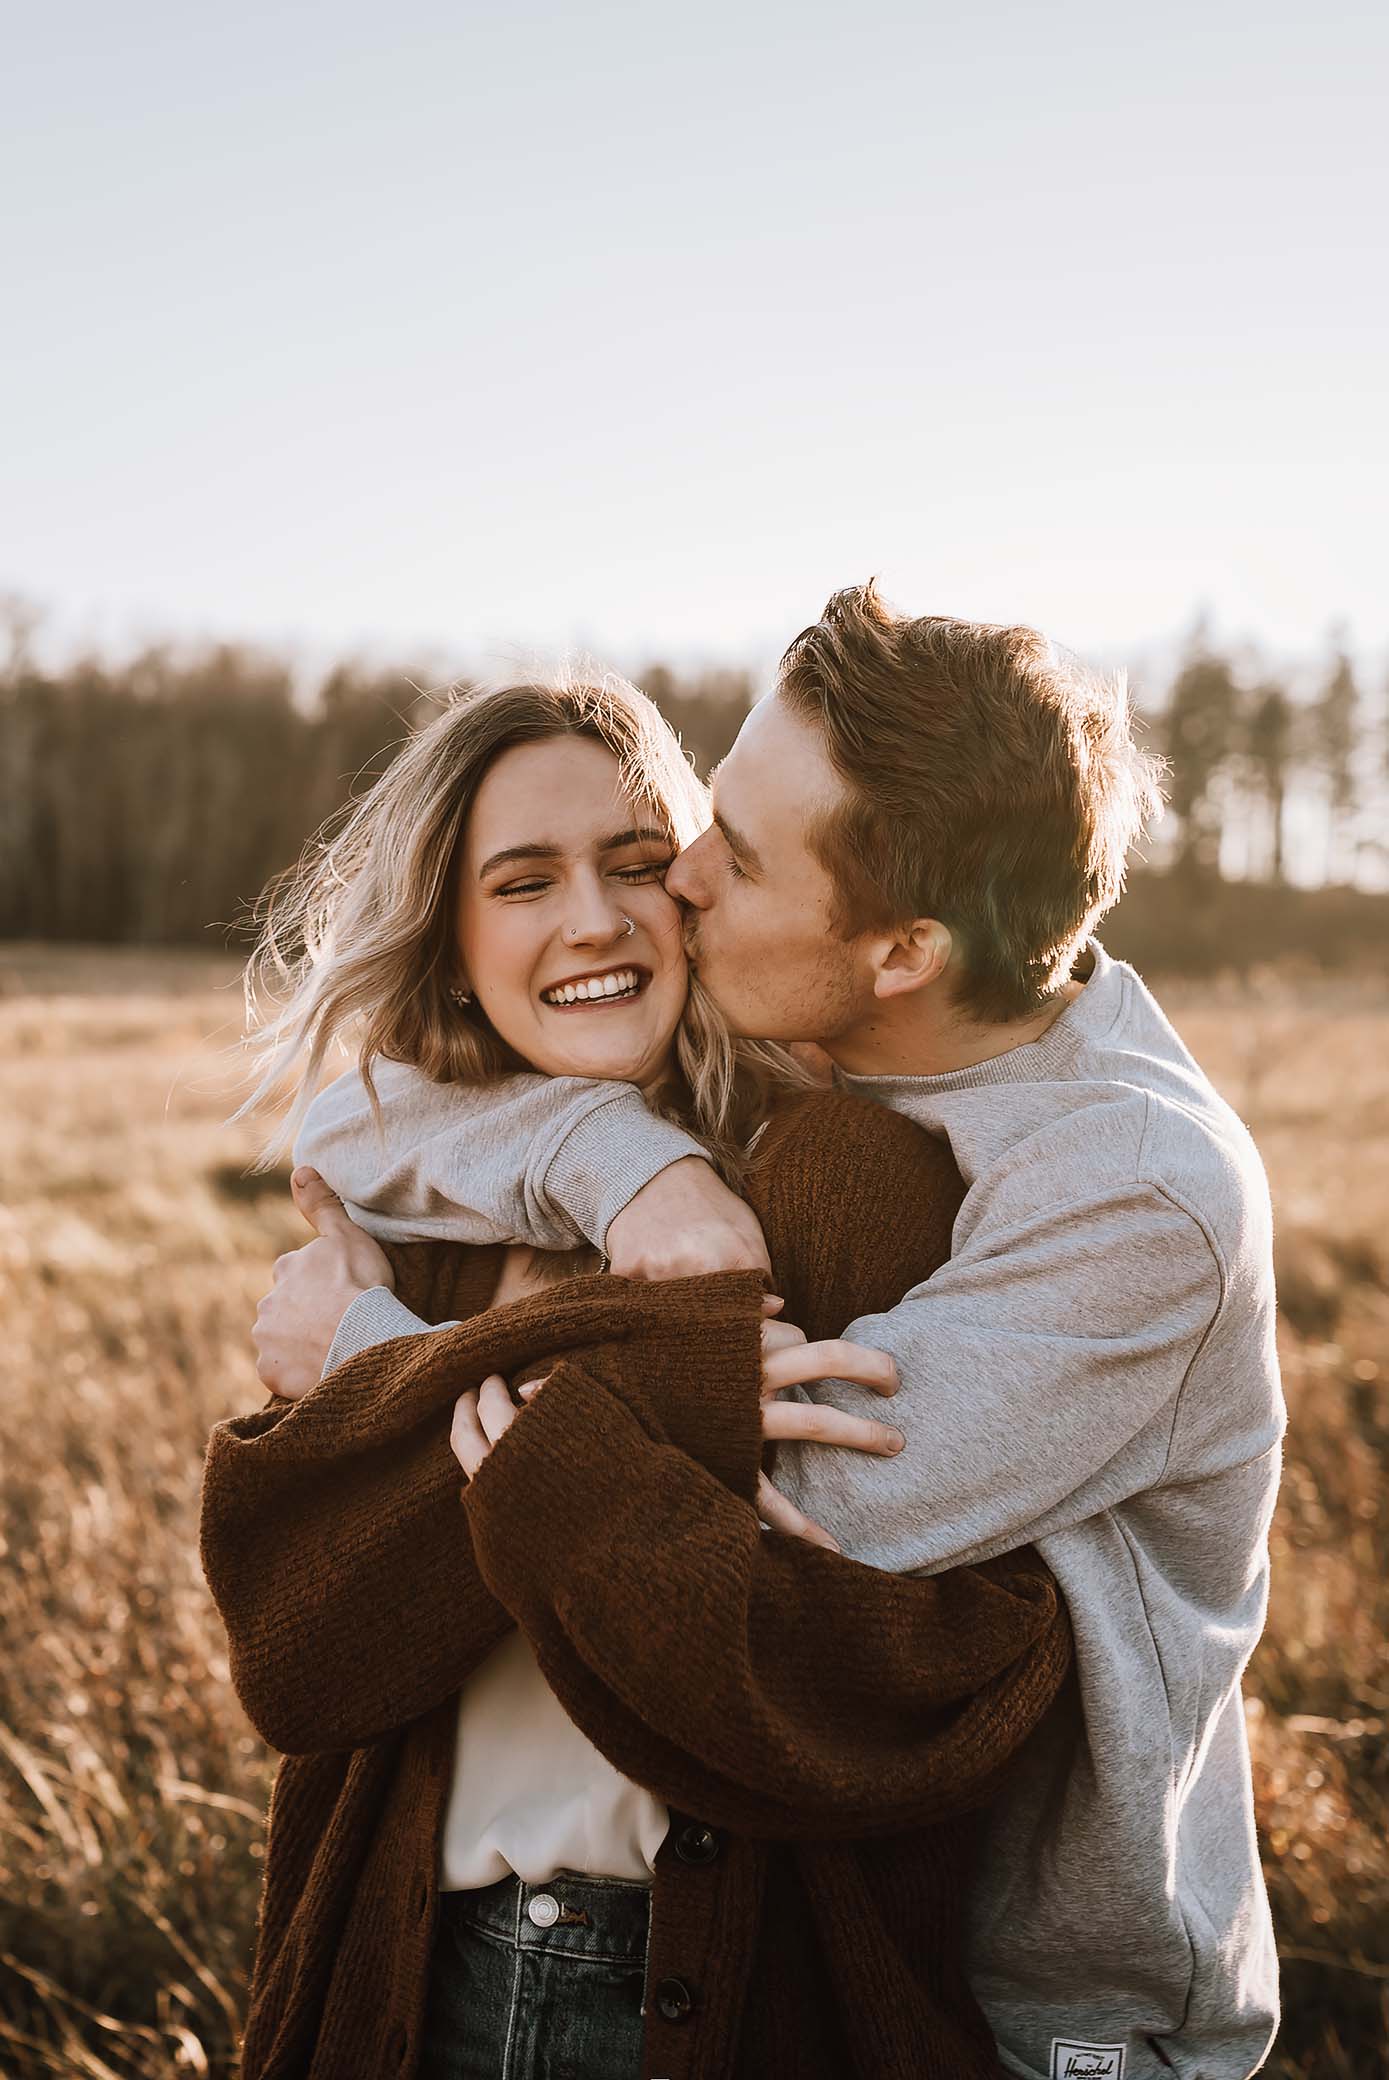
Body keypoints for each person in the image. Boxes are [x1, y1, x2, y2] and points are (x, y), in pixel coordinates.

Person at [276, 590, 1285, 2080]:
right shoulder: (844, 1030)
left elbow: (787, 1514)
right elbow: (372, 1105)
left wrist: (375, 1365)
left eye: (724, 855)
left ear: (898, 952)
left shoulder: (1127, 1193)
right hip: (844, 1936)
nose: (674, 881)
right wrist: (629, 1163)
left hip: (1055, 2015)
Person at [205, 671, 1071, 2080]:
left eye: (631, 865)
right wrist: (603, 1202)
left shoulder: (838, 1185)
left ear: (701, 888)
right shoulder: (419, 1226)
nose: (591, 921)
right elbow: (299, 1656)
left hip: (714, 1992)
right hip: (412, 1979)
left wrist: (391, 1378)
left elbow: (883, 1677)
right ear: (452, 935)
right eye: (522, 881)